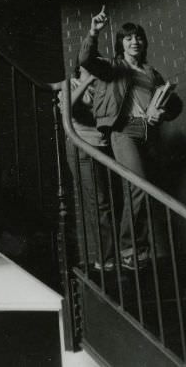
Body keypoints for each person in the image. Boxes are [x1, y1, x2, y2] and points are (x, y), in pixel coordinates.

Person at [79, 6, 181, 270]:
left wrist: (163, 111)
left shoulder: (152, 73)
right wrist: (93, 31)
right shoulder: (113, 67)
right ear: (120, 44)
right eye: (128, 38)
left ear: (144, 42)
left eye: (138, 37)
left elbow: (175, 105)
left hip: (149, 133)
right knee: (139, 186)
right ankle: (130, 248)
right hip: (123, 130)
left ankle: (137, 248)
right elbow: (87, 60)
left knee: (142, 190)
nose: (134, 41)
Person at [62, 62, 115, 271]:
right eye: (88, 65)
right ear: (80, 68)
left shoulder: (103, 87)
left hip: (104, 147)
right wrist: (87, 81)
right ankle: (104, 258)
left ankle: (109, 255)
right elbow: (68, 108)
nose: (93, 70)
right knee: (99, 202)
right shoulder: (71, 84)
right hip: (83, 147)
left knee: (107, 201)